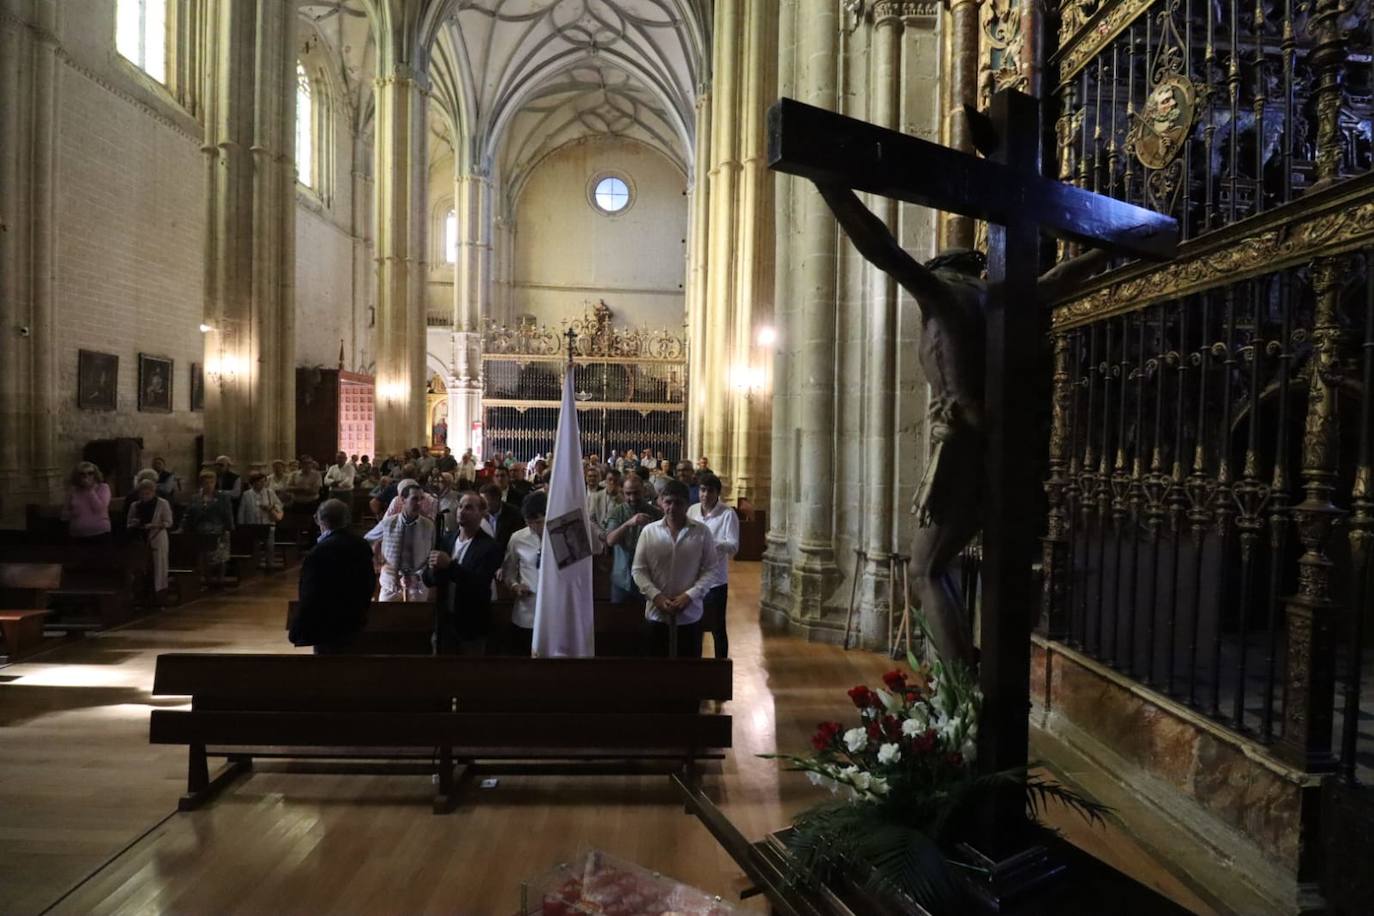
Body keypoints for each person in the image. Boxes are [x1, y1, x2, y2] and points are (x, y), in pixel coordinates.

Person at [816, 183, 1127, 665]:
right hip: (1010, 442)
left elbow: (882, 247)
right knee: (1001, 559)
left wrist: (827, 185)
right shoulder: (1005, 299)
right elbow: (1065, 275)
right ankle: (989, 668)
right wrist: (1114, 242)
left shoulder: (943, 293)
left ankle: (965, 684)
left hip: (960, 439)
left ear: (943, 268)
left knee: (926, 568)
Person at [631, 479, 718, 658]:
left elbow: (710, 570)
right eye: (668, 502)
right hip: (657, 614)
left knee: (688, 672)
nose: (672, 507)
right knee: (656, 670)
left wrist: (689, 596)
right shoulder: (649, 531)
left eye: (678, 503)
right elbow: (639, 570)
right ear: (661, 502)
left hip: (689, 613)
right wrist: (656, 596)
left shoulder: (702, 532)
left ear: (687, 505)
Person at [290, 499, 376, 653]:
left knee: (327, 670)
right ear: (346, 519)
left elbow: (310, 594)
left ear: (319, 520)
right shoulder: (361, 545)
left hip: (325, 625)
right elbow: (369, 584)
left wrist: (299, 627)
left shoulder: (318, 552)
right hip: (354, 620)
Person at [424, 491, 504, 655]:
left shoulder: (489, 547)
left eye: (469, 507)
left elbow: (479, 585)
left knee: (468, 675)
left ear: (482, 513)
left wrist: (449, 565)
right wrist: (432, 569)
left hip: (471, 624)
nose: (461, 511)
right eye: (460, 507)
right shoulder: (447, 539)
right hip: (445, 622)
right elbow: (430, 579)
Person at [687, 473, 739, 659]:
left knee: (717, 627)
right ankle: (695, 665)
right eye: (702, 490)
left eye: (710, 491)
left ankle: (720, 668)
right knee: (695, 624)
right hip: (693, 578)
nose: (705, 494)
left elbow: (733, 546)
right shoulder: (692, 511)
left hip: (716, 580)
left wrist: (710, 542)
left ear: (717, 493)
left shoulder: (727, 513)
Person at [365, 483, 435, 602]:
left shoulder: (428, 526)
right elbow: (367, 539)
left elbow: (431, 553)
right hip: (391, 582)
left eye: (421, 499)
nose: (419, 503)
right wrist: (376, 558)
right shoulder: (388, 523)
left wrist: (418, 575)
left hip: (417, 583)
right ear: (403, 500)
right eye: (414, 499)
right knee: (386, 617)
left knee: (416, 618)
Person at [603, 473, 662, 605]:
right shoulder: (617, 512)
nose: (632, 498)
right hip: (622, 578)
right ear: (622, 492)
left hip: (647, 578)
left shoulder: (655, 513)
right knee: (618, 618)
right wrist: (628, 523)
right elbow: (610, 540)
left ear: (644, 491)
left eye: (636, 493)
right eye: (628, 494)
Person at [500, 491, 546, 657]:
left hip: (553, 612)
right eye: (529, 522)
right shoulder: (518, 538)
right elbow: (509, 571)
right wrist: (514, 585)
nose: (534, 526)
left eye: (538, 522)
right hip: (526, 612)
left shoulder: (559, 536)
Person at [182, 469, 235, 587]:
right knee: (203, 555)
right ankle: (207, 579)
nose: (209, 485)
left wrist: (229, 527)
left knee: (221, 557)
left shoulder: (222, 497)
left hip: (219, 529)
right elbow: (188, 514)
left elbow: (228, 513)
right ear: (201, 483)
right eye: (206, 482)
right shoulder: (196, 498)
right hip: (201, 531)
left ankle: (220, 579)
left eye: (211, 482)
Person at [127, 478, 173, 601]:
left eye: (147, 493)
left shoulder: (162, 503)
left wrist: (155, 525)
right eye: (142, 494)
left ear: (153, 492)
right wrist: (134, 523)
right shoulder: (135, 505)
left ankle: (158, 593)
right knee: (142, 566)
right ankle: (143, 593)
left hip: (157, 537)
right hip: (141, 539)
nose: (144, 496)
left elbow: (168, 522)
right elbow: (129, 522)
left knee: (158, 566)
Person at [237, 471, 284, 569]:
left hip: (267, 523)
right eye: (259, 482)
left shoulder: (269, 492)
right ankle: (255, 564)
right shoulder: (246, 494)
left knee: (269, 545)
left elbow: (279, 505)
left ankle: (270, 564)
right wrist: (241, 525)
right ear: (253, 482)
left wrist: (270, 507)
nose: (262, 484)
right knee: (255, 545)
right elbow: (242, 510)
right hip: (253, 524)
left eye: (263, 481)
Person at [64, 461, 112, 543]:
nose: (86, 476)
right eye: (82, 474)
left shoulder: (103, 488)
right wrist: (72, 513)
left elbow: (100, 509)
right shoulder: (73, 490)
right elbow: (64, 514)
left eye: (90, 473)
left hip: (99, 533)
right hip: (77, 535)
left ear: (95, 474)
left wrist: (90, 490)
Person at [481, 483, 525, 551]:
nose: (481, 504)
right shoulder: (479, 514)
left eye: (484, 501)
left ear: (496, 499)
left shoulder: (514, 514)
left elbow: (518, 540)